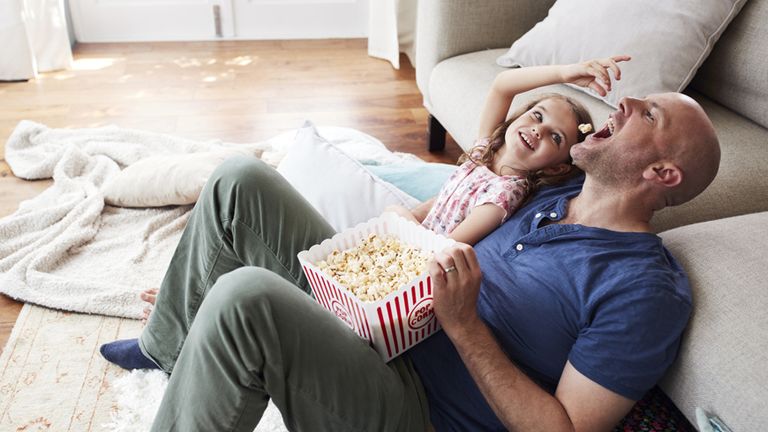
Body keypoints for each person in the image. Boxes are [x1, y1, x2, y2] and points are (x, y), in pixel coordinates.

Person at [100, 82, 720, 431]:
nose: (624, 104)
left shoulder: (644, 289)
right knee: (240, 179)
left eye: (648, 114)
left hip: (418, 407)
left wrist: (465, 325)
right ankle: (167, 348)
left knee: (245, 297)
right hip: (377, 318)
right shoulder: (554, 188)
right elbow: (506, 119)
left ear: (663, 172)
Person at [387, 58, 634, 245]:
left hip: (423, 264)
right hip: (410, 241)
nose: (538, 130)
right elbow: (502, 86)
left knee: (391, 211)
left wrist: (401, 217)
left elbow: (445, 248)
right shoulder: (485, 150)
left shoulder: (505, 195)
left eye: (555, 137)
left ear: (556, 167)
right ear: (519, 116)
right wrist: (564, 73)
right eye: (537, 116)